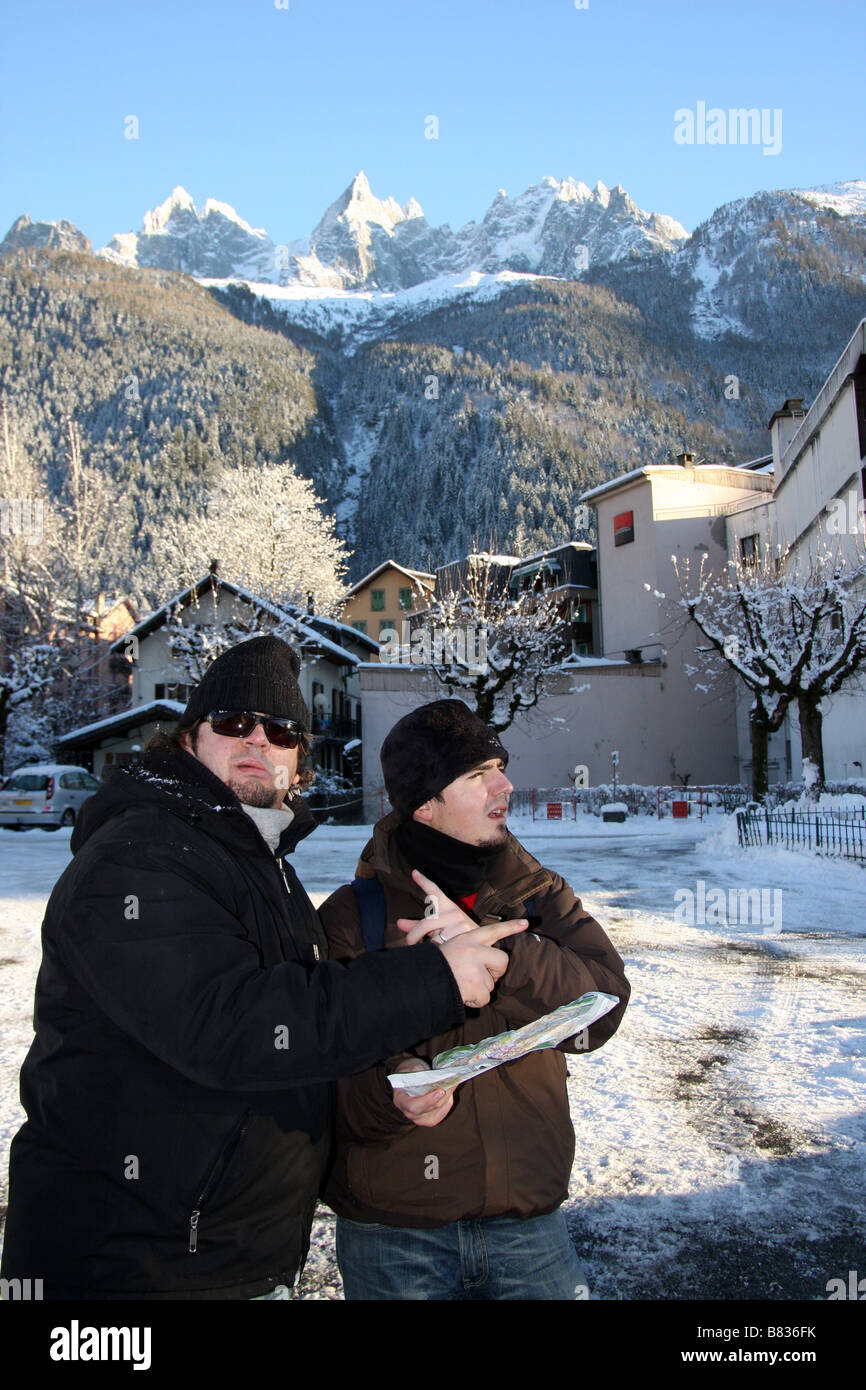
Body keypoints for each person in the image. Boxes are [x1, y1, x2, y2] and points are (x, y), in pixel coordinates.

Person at [0, 639, 524, 1300]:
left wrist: (395, 1079)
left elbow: (295, 1029)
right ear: (189, 739)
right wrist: (432, 981)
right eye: (231, 723)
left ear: (299, 761)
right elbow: (232, 1024)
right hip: (131, 1268)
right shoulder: (139, 855)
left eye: (279, 731)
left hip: (223, 1257)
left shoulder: (257, 860)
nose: (257, 741)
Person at [320, 699, 631, 1301]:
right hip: (394, 1236)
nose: (505, 784)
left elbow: (605, 1008)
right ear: (424, 803)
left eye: (500, 766)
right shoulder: (353, 917)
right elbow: (322, 1074)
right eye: (476, 774)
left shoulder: (537, 895)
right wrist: (394, 1089)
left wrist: (507, 958)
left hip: (528, 1223)